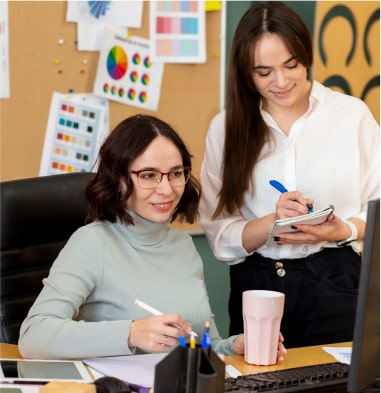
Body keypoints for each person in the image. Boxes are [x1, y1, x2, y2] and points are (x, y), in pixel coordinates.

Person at [19, 114, 286, 360]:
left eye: (175, 173)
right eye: (148, 175)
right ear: (118, 179)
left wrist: (232, 346)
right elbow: (33, 335)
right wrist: (131, 333)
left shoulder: (183, 246)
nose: (166, 189)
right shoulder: (92, 243)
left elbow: (204, 344)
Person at [199, 1, 380, 348]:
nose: (280, 82)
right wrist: (273, 222)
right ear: (246, 72)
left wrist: (342, 229)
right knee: (258, 392)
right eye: (263, 72)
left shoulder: (351, 115)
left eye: (291, 65)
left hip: (336, 279)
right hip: (258, 285)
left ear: (306, 56)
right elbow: (220, 236)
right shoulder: (226, 128)